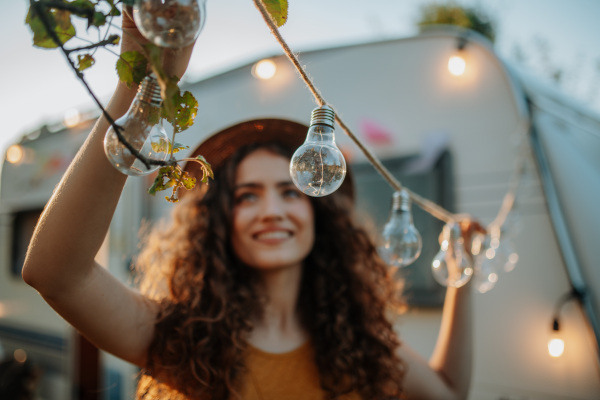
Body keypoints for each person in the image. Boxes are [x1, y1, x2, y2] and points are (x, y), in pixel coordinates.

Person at [22, 9, 481, 400]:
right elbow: (55, 273)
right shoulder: (188, 338)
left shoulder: (360, 343)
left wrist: (464, 269)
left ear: (317, 212)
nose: (272, 210)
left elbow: (447, 390)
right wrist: (142, 81)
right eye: (247, 196)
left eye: (291, 192)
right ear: (220, 221)